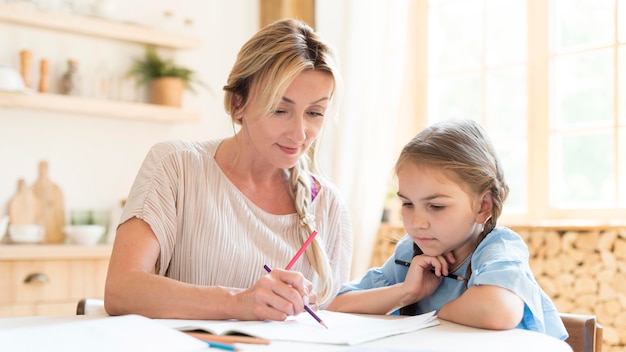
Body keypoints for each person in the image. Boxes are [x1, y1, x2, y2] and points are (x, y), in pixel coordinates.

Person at [104, 18, 353, 321]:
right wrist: (238, 302)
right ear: (238, 104)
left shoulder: (328, 205)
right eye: (280, 109)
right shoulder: (176, 166)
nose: (300, 133)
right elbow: (121, 289)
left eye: (314, 113)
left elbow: (333, 314)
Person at [327, 119, 568, 340]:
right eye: (408, 203)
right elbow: (337, 304)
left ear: (483, 206)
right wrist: (407, 292)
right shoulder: (410, 253)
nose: (418, 222)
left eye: (436, 206)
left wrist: (428, 317)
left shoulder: (499, 247)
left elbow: (497, 310)